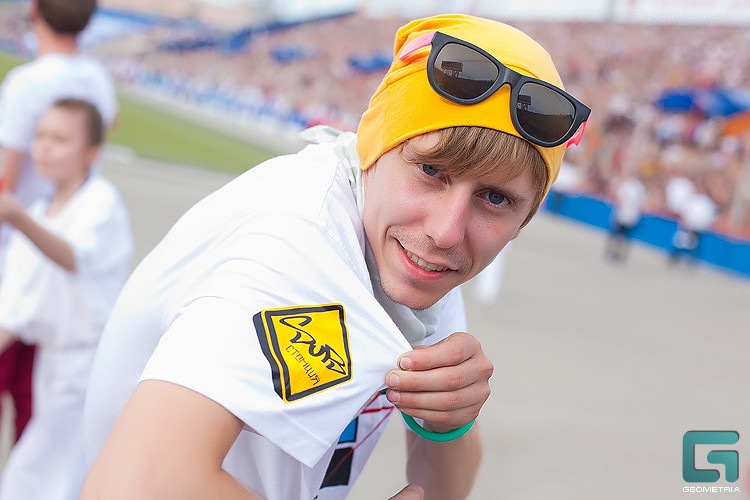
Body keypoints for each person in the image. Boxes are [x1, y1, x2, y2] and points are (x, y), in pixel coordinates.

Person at [82, 14, 590, 500]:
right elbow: (132, 487)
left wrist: (448, 422)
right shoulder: (304, 240)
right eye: (431, 171)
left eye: (496, 199)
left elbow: (444, 489)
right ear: (373, 144)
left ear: (523, 221)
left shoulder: (411, 259)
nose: (445, 231)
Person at [0, 98, 132, 500]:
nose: (44, 147)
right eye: (40, 136)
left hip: (88, 363)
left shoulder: (101, 201)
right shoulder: (41, 209)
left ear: (91, 152)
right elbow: (16, 307)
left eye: (60, 139)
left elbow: (75, 257)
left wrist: (17, 218)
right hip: (53, 363)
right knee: (47, 472)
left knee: (36, 474)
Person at [0, 0, 117, 443]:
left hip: (20, 247)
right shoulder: (97, 76)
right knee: (33, 396)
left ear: (35, 11)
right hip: (64, 228)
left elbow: (7, 179)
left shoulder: (28, 82)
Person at [605, 174, 646, 263]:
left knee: (620, 234)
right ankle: (615, 251)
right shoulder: (636, 186)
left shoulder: (633, 186)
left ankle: (615, 251)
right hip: (626, 213)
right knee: (621, 234)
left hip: (627, 213)